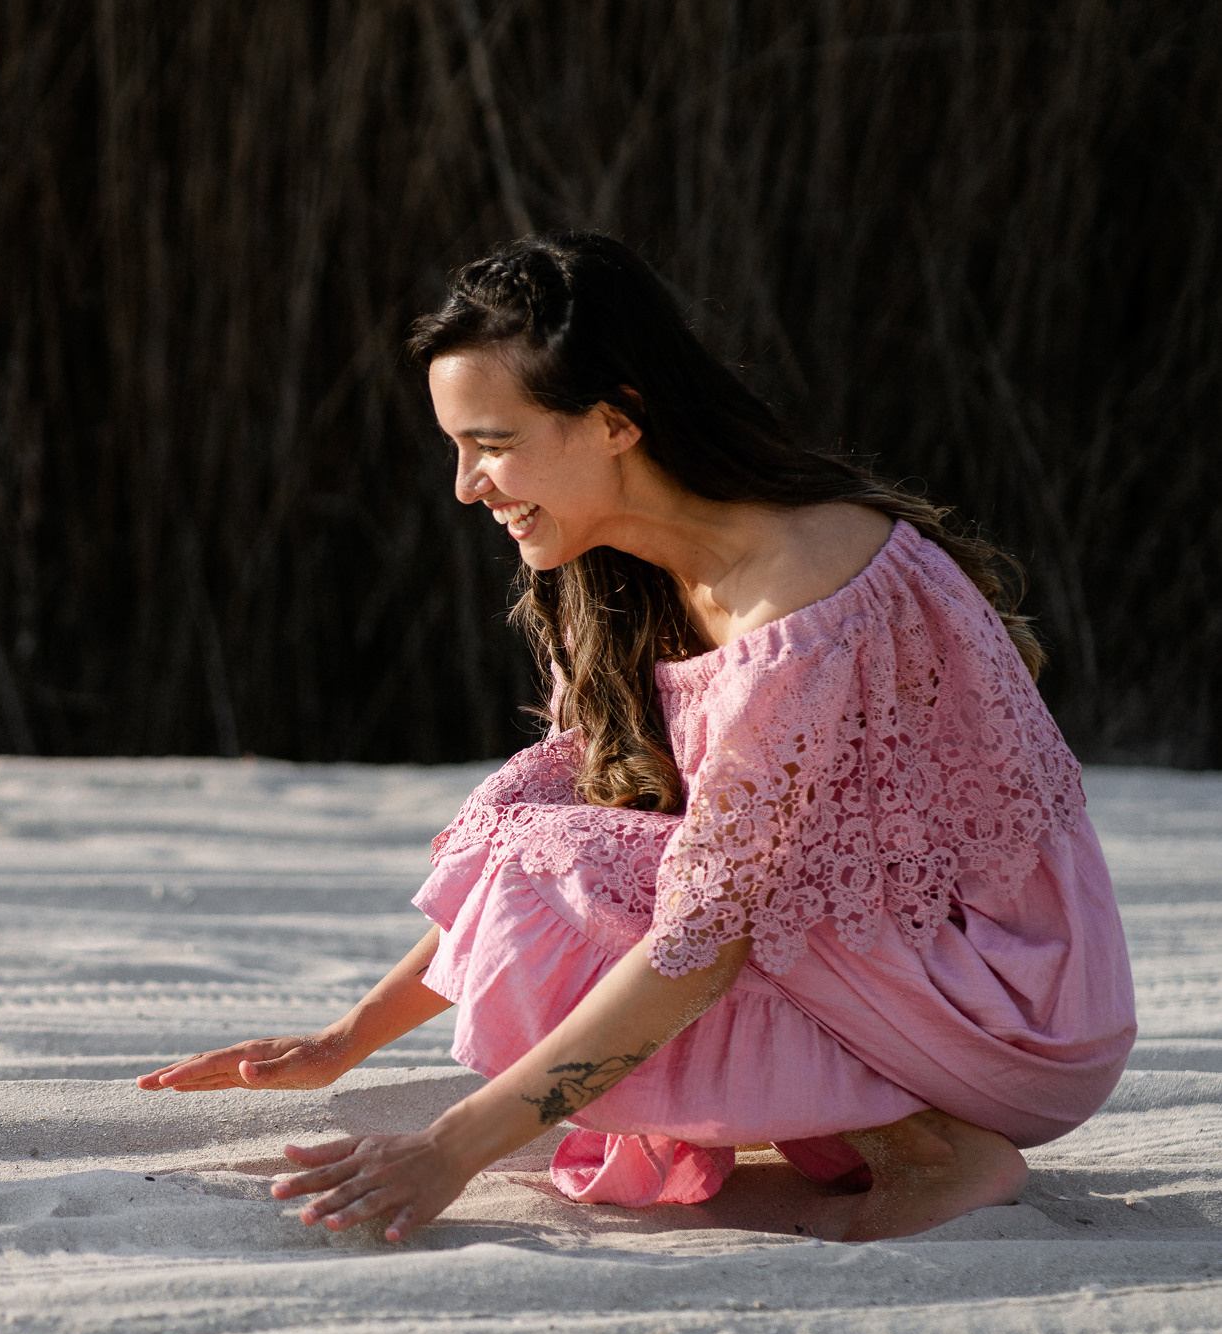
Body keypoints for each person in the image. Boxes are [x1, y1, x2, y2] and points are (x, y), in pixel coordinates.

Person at [139, 232, 1133, 1244]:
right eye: (455, 447)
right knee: (533, 810)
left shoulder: (799, 595)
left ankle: (927, 1150)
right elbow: (595, 820)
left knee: (561, 859)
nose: (465, 486)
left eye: (492, 442)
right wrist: (344, 1040)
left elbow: (702, 937)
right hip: (883, 968)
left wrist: (453, 1148)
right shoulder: (608, 572)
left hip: (1010, 999)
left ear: (616, 421)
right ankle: (853, 1122)